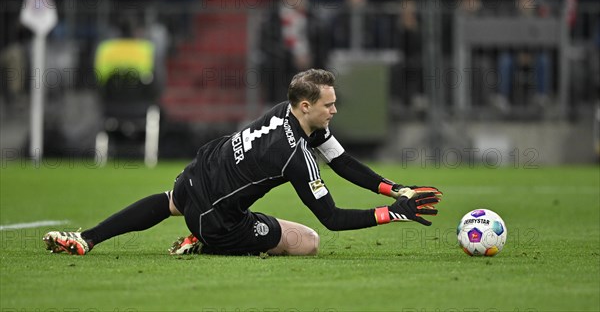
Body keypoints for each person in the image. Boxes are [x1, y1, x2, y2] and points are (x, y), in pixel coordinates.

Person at [43, 69, 442, 257]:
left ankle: (88, 238)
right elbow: (332, 219)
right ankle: (204, 245)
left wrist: (397, 189)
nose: (335, 110)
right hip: (217, 221)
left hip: (195, 177)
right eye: (329, 104)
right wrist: (395, 215)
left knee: (170, 200)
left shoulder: (282, 113)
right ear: (307, 106)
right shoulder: (294, 158)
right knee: (307, 242)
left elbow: (343, 162)